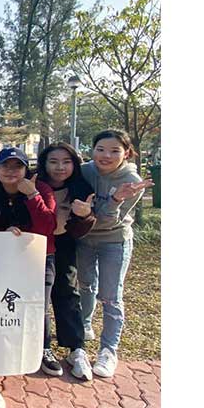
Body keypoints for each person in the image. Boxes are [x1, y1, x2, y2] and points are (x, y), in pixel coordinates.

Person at [0, 147, 56, 408]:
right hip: (4, 261)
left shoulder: (41, 189)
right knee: (2, 306)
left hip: (38, 258)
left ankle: (44, 349)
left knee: (38, 306)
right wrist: (5, 231)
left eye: (17, 166)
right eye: (5, 166)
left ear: (26, 169)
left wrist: (33, 195)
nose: (11, 171)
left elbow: (48, 226)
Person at [77, 130, 154, 378]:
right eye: (100, 149)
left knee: (110, 296)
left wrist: (116, 198)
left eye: (114, 151)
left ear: (126, 153)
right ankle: (85, 324)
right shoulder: (84, 171)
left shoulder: (131, 181)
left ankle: (108, 350)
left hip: (114, 240)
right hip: (85, 238)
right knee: (85, 284)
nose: (106, 156)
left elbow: (107, 221)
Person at [36, 142, 97, 381]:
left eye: (66, 162)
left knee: (68, 293)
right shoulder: (33, 184)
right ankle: (42, 347)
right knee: (37, 298)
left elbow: (81, 230)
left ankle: (76, 349)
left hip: (64, 243)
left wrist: (85, 215)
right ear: (44, 164)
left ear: (74, 164)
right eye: (53, 162)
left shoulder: (81, 188)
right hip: (35, 245)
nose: (59, 167)